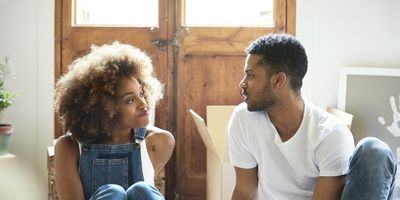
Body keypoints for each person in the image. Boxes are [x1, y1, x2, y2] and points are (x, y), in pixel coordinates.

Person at [227, 33, 397, 200]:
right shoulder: (243, 119)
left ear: (278, 81)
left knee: (374, 150)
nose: (242, 83)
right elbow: (244, 192)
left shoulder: (330, 135)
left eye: (250, 75)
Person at [54, 42, 175, 200]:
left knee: (142, 189)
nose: (143, 103)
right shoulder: (69, 148)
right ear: (103, 108)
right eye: (130, 100)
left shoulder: (159, 142)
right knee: (112, 193)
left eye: (141, 93)